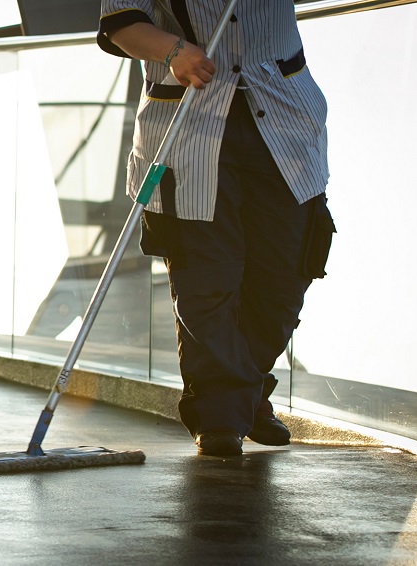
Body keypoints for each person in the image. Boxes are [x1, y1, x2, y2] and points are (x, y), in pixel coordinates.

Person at [97, 0, 335, 456]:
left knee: (284, 276)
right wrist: (174, 50)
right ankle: (222, 416)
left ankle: (244, 394)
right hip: (190, 124)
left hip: (286, 120)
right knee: (206, 279)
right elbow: (121, 22)